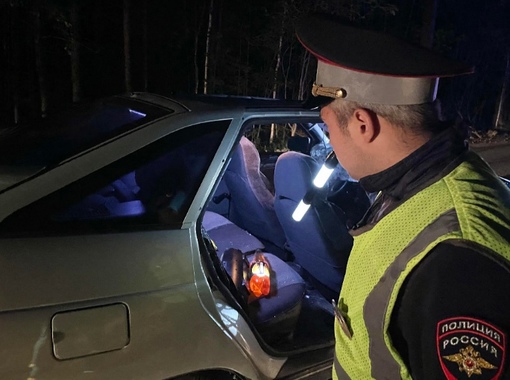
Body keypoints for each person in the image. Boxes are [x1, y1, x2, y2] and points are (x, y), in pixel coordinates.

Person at [296, 14, 510, 380]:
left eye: (329, 129)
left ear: (363, 124)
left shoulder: (457, 264)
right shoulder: (418, 183)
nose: (329, 144)